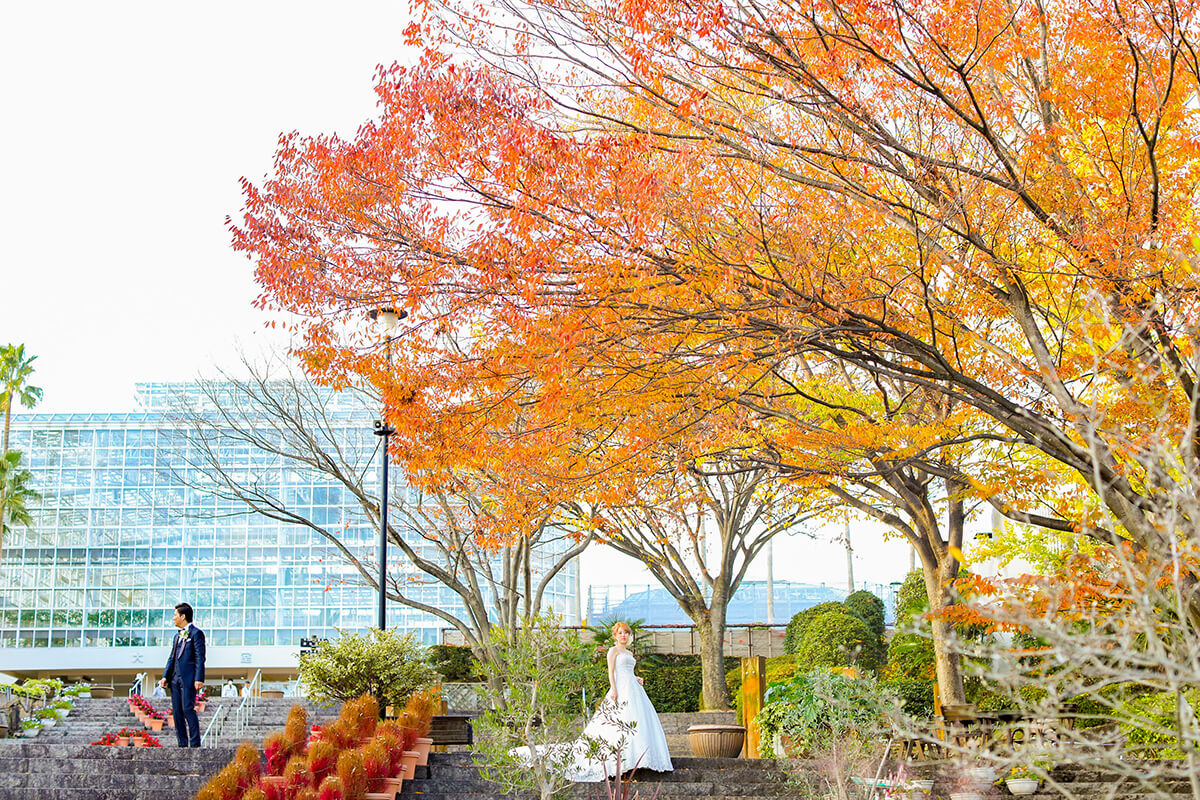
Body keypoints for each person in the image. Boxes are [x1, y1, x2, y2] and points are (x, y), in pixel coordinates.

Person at [515, 621, 673, 781]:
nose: (623, 636)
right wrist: (614, 690)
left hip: (634, 689)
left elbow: (627, 671)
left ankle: (637, 759)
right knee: (618, 721)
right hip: (620, 688)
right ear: (615, 636)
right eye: (620, 633)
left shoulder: (630, 654)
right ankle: (620, 761)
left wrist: (636, 677)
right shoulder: (613, 651)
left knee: (637, 721)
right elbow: (611, 672)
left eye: (626, 633)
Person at [159, 602, 206, 747]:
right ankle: (182, 744)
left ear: (183, 616)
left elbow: (200, 657)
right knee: (177, 712)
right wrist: (165, 676)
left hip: (188, 678)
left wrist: (199, 678)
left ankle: (195, 744)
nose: (173, 618)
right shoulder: (176, 636)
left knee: (187, 708)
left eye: (175, 615)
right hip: (174, 678)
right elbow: (172, 657)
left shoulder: (196, 633)